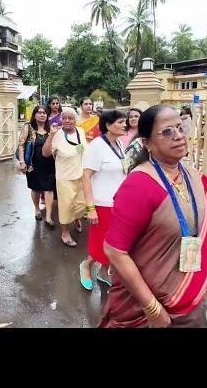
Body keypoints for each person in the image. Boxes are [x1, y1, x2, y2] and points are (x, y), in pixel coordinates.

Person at [99, 105, 207, 328]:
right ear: (147, 143)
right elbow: (114, 251)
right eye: (167, 131)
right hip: (150, 309)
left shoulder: (189, 173)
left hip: (191, 298)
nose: (179, 136)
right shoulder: (139, 185)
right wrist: (152, 308)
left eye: (180, 128)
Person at [79, 109, 128, 290]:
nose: (125, 125)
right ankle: (86, 266)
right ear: (108, 125)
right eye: (120, 122)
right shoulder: (97, 146)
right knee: (100, 243)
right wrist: (90, 208)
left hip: (120, 204)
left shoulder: (120, 144)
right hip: (101, 204)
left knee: (114, 243)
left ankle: (103, 270)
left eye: (125, 122)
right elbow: (86, 177)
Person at [42, 108, 88, 247]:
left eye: (71, 118)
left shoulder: (80, 131)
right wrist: (51, 135)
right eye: (65, 118)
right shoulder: (57, 134)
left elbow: (84, 150)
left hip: (80, 174)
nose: (67, 121)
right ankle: (65, 233)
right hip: (65, 177)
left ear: (75, 120)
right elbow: (45, 153)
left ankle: (75, 218)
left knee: (82, 204)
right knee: (66, 206)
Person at [18, 105, 55, 227]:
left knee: (49, 189)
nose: (42, 114)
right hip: (33, 165)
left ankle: (48, 217)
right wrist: (22, 162)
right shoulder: (28, 127)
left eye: (44, 113)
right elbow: (21, 145)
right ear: (34, 115)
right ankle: (37, 208)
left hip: (49, 164)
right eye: (39, 112)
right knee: (36, 188)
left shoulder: (51, 129)